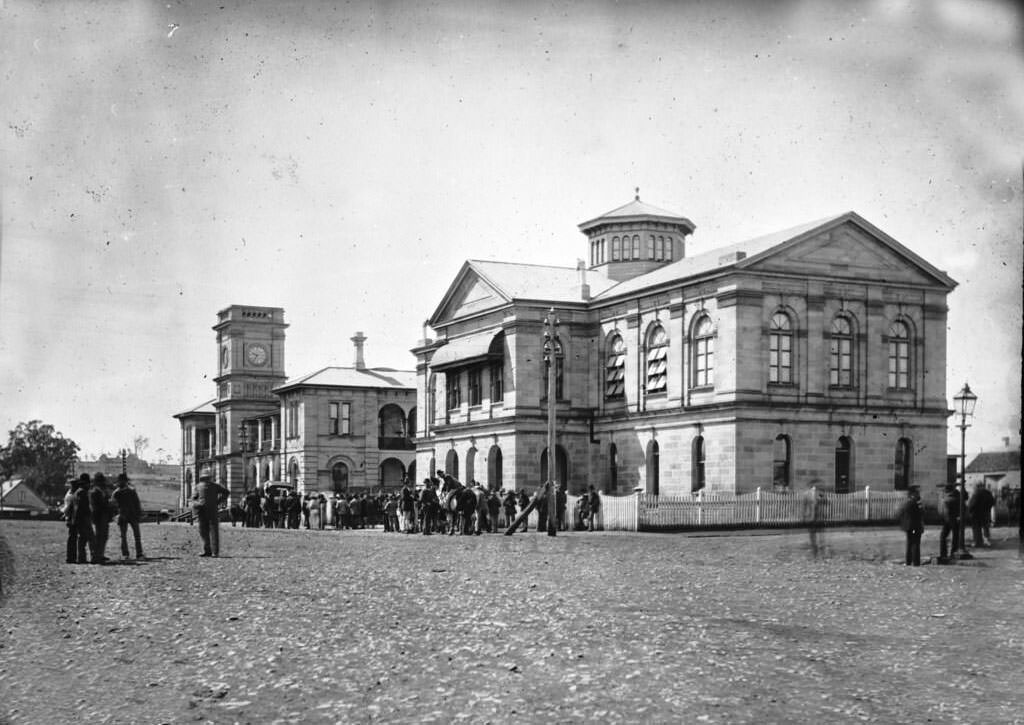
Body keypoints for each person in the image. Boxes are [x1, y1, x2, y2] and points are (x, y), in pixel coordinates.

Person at [191, 469, 229, 557]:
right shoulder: (200, 486)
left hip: (206, 511)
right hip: (205, 511)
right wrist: (217, 502)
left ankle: (213, 551)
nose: (206, 480)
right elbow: (193, 498)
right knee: (205, 531)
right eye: (205, 478)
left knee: (211, 531)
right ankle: (209, 551)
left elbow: (193, 499)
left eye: (207, 478)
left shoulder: (213, 486)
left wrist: (217, 502)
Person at [111, 473, 144, 560]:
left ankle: (139, 553)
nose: (121, 482)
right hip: (122, 516)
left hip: (132, 515)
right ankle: (126, 554)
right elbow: (113, 505)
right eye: (120, 481)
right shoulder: (116, 493)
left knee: (137, 535)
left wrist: (138, 513)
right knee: (123, 536)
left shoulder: (131, 491)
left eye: (123, 481)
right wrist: (115, 515)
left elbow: (137, 503)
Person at [897, 485, 925, 566]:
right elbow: (921, 513)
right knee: (915, 544)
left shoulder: (906, 502)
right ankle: (916, 562)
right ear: (913, 493)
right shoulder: (915, 502)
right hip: (915, 526)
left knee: (909, 544)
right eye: (917, 492)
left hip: (908, 526)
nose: (919, 494)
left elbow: (900, 513)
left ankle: (909, 561)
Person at [72, 473, 96, 564]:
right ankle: (94, 556)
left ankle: (81, 558)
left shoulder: (77, 492)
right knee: (91, 538)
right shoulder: (82, 493)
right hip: (84, 518)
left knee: (82, 539)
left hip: (79, 519)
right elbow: (82, 507)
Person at [89, 473, 113, 563]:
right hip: (99, 515)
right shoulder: (95, 492)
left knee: (104, 536)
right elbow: (98, 505)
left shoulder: (101, 491)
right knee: (100, 536)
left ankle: (100, 554)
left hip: (103, 515)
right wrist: (108, 504)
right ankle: (96, 556)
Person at [939, 483, 963, 562]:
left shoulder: (949, 498)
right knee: (955, 536)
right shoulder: (957, 496)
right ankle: (953, 552)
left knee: (944, 536)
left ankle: (944, 553)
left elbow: (945, 510)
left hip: (949, 519)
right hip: (954, 519)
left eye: (945, 490)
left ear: (948, 490)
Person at [967, 482, 995, 548]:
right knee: (985, 527)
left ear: (977, 486)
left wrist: (969, 511)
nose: (974, 488)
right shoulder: (988, 493)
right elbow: (993, 502)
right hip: (985, 513)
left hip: (976, 514)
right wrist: (988, 508)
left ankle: (977, 542)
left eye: (975, 486)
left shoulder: (976, 493)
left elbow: (972, 504)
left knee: (976, 528)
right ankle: (987, 541)